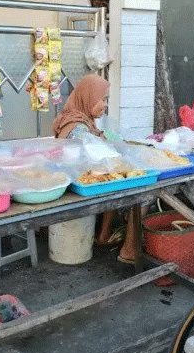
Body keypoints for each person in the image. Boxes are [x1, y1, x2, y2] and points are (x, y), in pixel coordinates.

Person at [52, 74, 140, 263]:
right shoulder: (78, 128)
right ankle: (129, 250)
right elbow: (99, 159)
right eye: (103, 99)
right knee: (141, 194)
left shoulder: (78, 118)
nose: (106, 105)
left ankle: (104, 234)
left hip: (79, 178)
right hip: (77, 186)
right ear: (89, 97)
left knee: (116, 176)